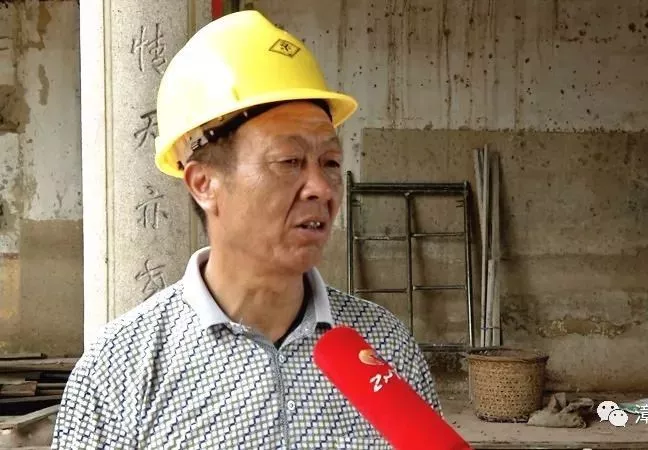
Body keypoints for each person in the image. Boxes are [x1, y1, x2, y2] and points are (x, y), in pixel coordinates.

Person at [52, 10, 440, 449]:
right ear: (204, 184)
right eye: (289, 161)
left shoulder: (384, 347)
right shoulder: (120, 369)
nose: (321, 188)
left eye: (330, 162)